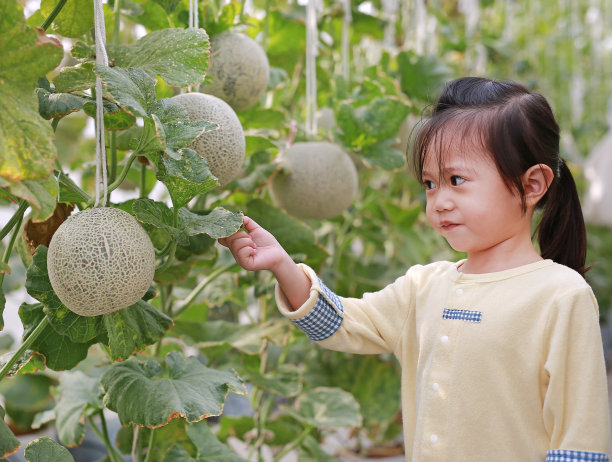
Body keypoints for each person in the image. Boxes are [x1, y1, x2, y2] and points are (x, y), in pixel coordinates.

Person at [219, 77, 610, 461]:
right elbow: (339, 323)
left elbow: (580, 442)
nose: (439, 200)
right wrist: (281, 263)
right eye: (429, 183)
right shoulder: (424, 286)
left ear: (532, 185)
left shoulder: (560, 296)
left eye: (456, 180)